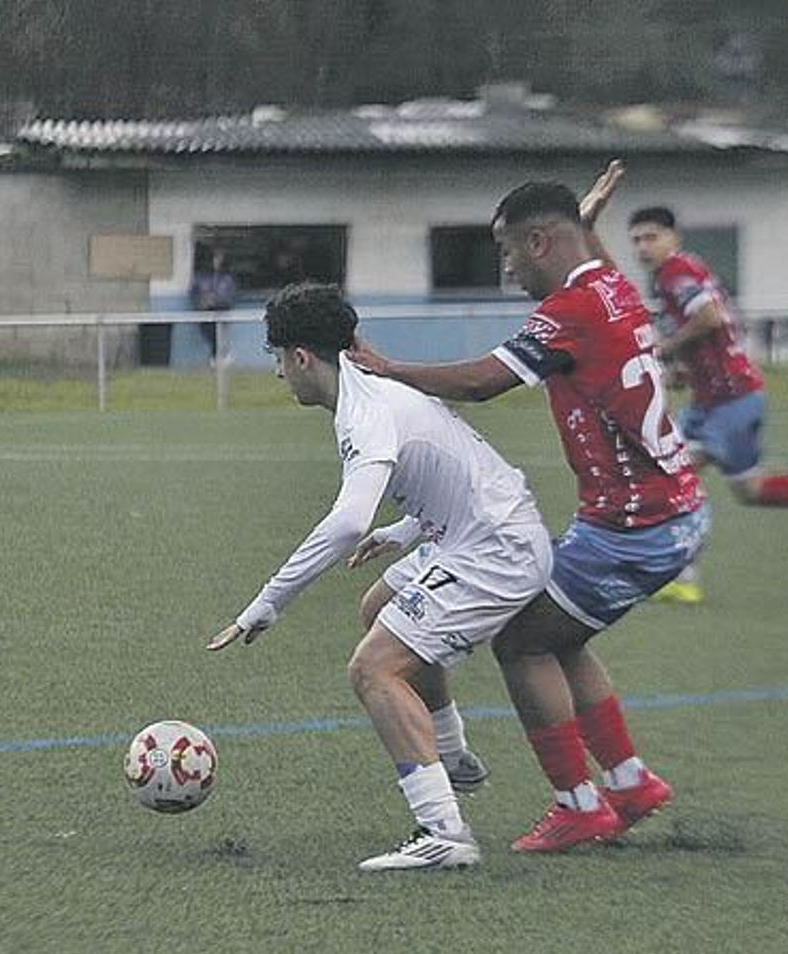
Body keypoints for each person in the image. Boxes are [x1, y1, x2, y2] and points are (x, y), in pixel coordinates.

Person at [349, 176, 703, 853]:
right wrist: (582, 220)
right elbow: (582, 252)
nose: (507, 267)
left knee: (521, 638)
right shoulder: (614, 287)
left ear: (541, 241)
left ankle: (579, 802)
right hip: (659, 514)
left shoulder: (572, 308)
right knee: (558, 634)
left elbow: (485, 381)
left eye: (510, 252)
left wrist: (386, 368)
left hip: (636, 526)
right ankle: (628, 781)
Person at [206, 282, 552, 872]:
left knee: (373, 667)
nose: (278, 376)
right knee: (379, 605)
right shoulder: (371, 388)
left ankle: (443, 830)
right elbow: (454, 468)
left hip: (496, 550)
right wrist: (402, 533)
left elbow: (345, 522)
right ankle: (451, 753)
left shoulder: (366, 412)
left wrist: (266, 603)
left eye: (276, 360)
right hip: (478, 530)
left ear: (300, 358)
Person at [623, 201, 788, 605]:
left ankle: (682, 574)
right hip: (717, 399)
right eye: (636, 240)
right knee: (749, 489)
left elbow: (710, 318)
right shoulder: (676, 272)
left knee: (672, 476)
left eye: (652, 237)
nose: (643, 247)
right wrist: (686, 369)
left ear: (673, 238)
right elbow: (712, 328)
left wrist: (665, 349)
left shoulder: (677, 271)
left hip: (730, 400)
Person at [188, 245, 237, 365]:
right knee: (209, 332)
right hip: (204, 312)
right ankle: (221, 354)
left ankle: (218, 356)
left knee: (216, 331)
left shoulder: (227, 278)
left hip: (221, 310)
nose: (217, 261)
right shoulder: (201, 277)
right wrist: (201, 301)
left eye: (220, 258)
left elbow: (230, 296)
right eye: (215, 258)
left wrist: (216, 301)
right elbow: (194, 293)